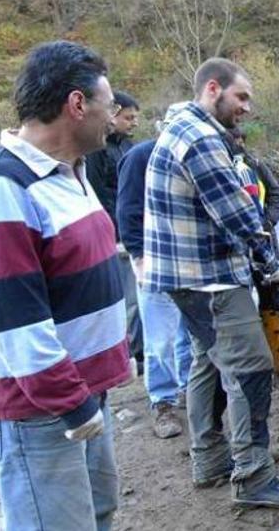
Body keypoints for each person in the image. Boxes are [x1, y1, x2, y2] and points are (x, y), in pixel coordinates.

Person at [0, 40, 131, 530]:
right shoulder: (0, 187)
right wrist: (73, 406)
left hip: (80, 394)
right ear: (77, 105)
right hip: (40, 412)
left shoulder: (69, 172)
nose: (113, 116)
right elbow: (16, 324)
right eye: (108, 104)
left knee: (96, 515)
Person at [143, 58, 279, 508]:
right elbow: (238, 213)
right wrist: (270, 266)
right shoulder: (200, 139)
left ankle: (208, 459)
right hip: (211, 280)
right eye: (242, 97)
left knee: (206, 362)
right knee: (251, 368)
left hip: (191, 279)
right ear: (212, 89)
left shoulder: (181, 129)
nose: (247, 108)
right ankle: (254, 476)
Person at [118, 103, 193, 439]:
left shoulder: (193, 154)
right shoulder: (141, 156)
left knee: (188, 336)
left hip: (189, 261)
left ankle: (192, 391)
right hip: (154, 261)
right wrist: (139, 257)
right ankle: (162, 402)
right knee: (159, 339)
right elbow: (128, 209)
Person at [85, 89, 144, 374]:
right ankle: (128, 352)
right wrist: (114, 235)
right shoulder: (98, 151)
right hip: (116, 236)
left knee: (138, 297)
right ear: (114, 114)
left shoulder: (130, 147)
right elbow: (99, 194)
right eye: (129, 117)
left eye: (135, 118)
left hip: (133, 231)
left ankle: (139, 349)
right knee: (128, 299)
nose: (134, 123)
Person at [227, 127, 279, 255]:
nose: (239, 148)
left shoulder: (256, 165)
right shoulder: (223, 168)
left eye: (241, 143)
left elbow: (275, 194)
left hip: (263, 233)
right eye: (234, 144)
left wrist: (268, 221)